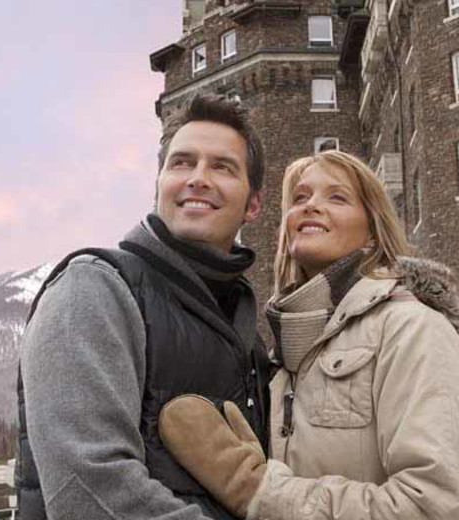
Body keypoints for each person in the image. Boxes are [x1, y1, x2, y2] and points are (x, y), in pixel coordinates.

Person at [160, 150, 459, 520]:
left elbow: (428, 506)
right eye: (300, 197)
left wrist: (257, 490)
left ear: (373, 230)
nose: (311, 205)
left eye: (337, 197)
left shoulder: (414, 328)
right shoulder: (281, 355)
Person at [16, 94, 271, 520]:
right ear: (159, 185)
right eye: (182, 163)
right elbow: (89, 488)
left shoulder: (247, 335)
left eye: (221, 167)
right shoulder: (95, 289)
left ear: (253, 205)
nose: (197, 179)